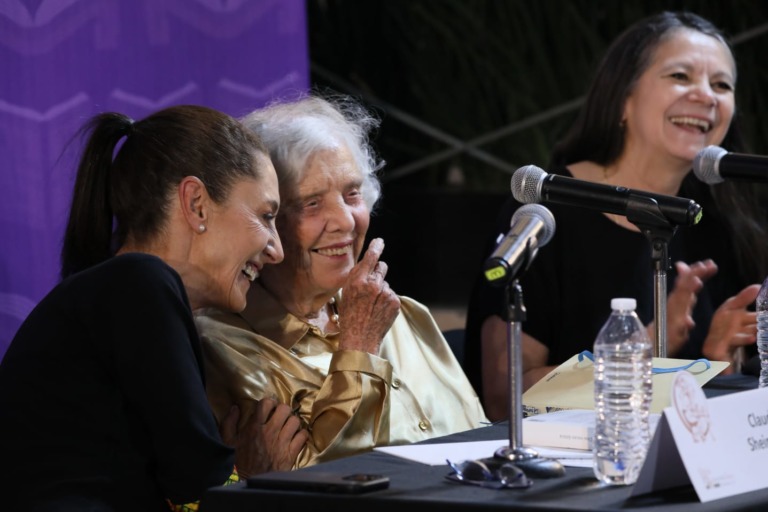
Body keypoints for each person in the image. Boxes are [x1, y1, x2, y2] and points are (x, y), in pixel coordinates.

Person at [0, 105, 309, 511]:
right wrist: (248, 477)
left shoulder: (124, 291)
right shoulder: (140, 281)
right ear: (196, 203)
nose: (277, 250)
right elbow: (196, 487)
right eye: (266, 216)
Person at [465, 11, 768, 421]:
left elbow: (704, 407)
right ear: (623, 98)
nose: (706, 96)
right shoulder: (544, 215)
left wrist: (719, 358)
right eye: (681, 76)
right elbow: (505, 397)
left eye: (721, 85)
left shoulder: (719, 222)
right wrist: (644, 351)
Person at [195, 94, 488, 468]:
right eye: (311, 203)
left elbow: (481, 438)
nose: (346, 221)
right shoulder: (222, 347)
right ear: (264, 221)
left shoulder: (403, 315)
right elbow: (325, 483)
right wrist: (359, 347)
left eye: (352, 194)